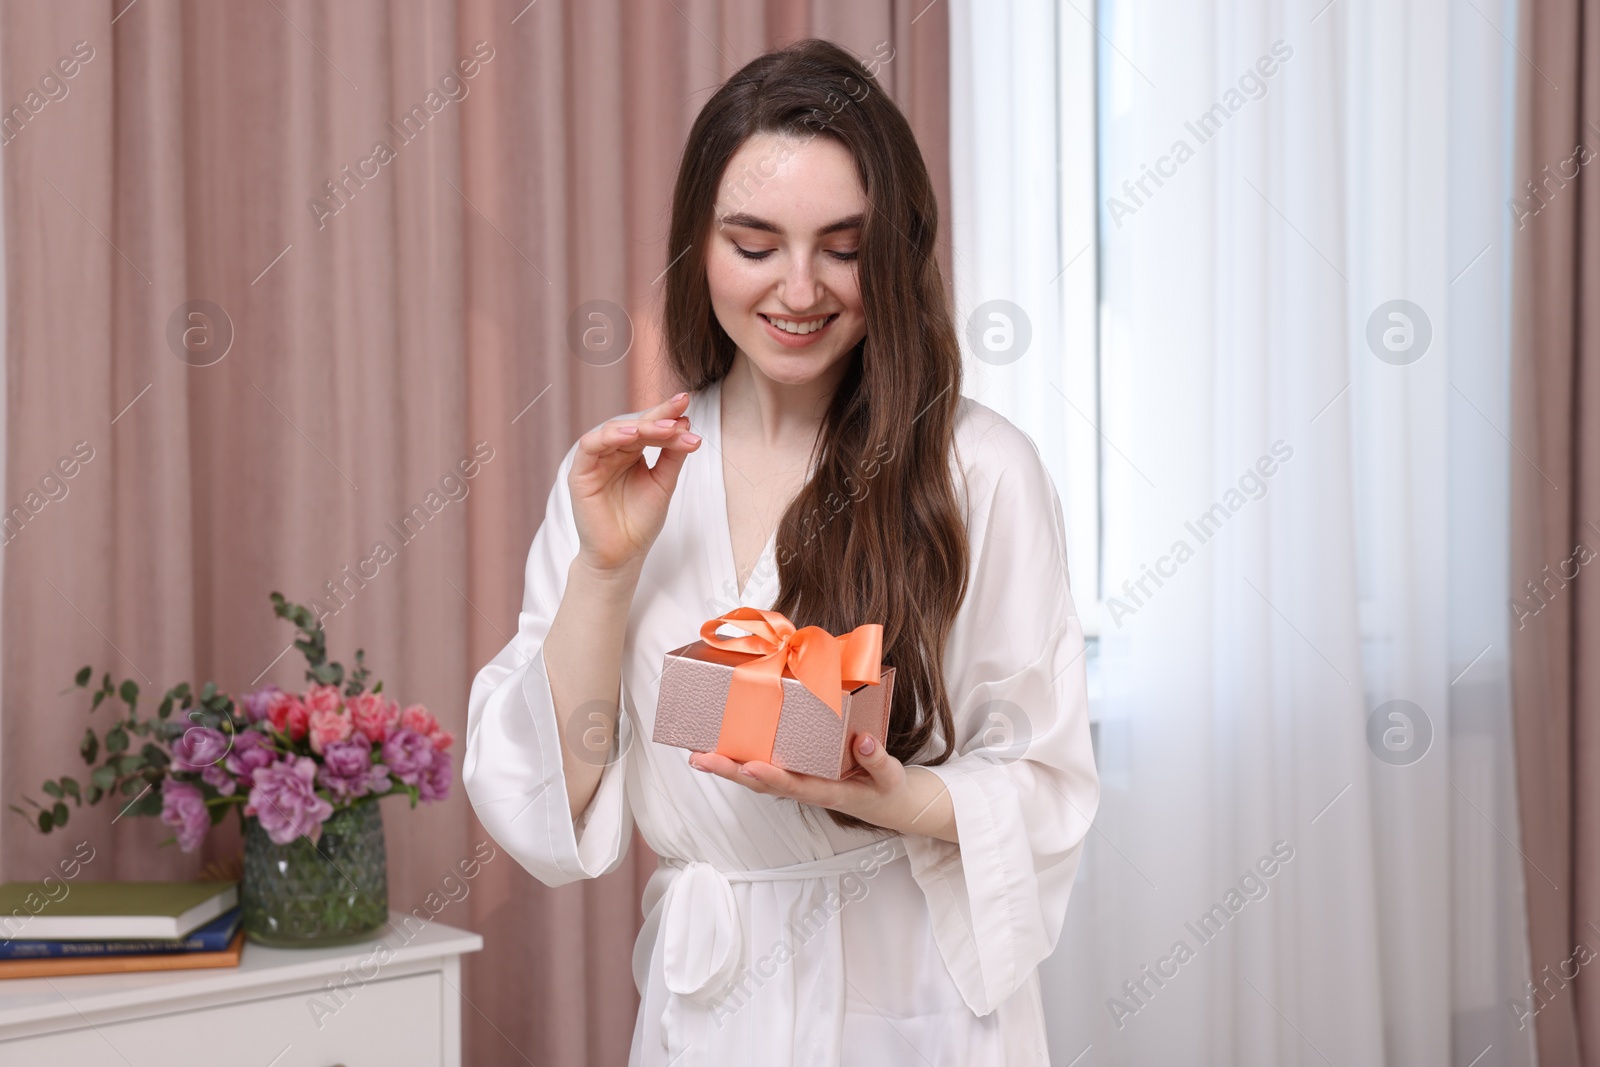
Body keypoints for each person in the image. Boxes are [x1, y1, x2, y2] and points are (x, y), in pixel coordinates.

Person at [465, 37, 1099, 1067]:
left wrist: (893, 797)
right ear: (697, 247)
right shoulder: (629, 477)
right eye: (754, 245)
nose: (798, 289)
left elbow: (1047, 779)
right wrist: (607, 568)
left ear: (892, 251)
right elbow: (539, 796)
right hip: (709, 1002)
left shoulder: (978, 469)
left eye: (841, 247)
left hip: (910, 992)